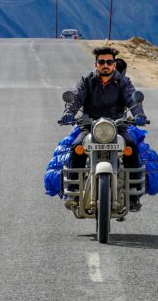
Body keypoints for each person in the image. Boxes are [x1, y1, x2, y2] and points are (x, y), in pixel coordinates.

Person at [60, 47, 147, 209]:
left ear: (114, 65)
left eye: (109, 62)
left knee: (131, 147)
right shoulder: (86, 81)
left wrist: (139, 114)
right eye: (102, 62)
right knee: (77, 147)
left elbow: (132, 98)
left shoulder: (123, 82)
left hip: (117, 126)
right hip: (90, 126)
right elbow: (76, 98)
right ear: (96, 64)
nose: (105, 65)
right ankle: (73, 192)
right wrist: (69, 113)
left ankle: (134, 194)